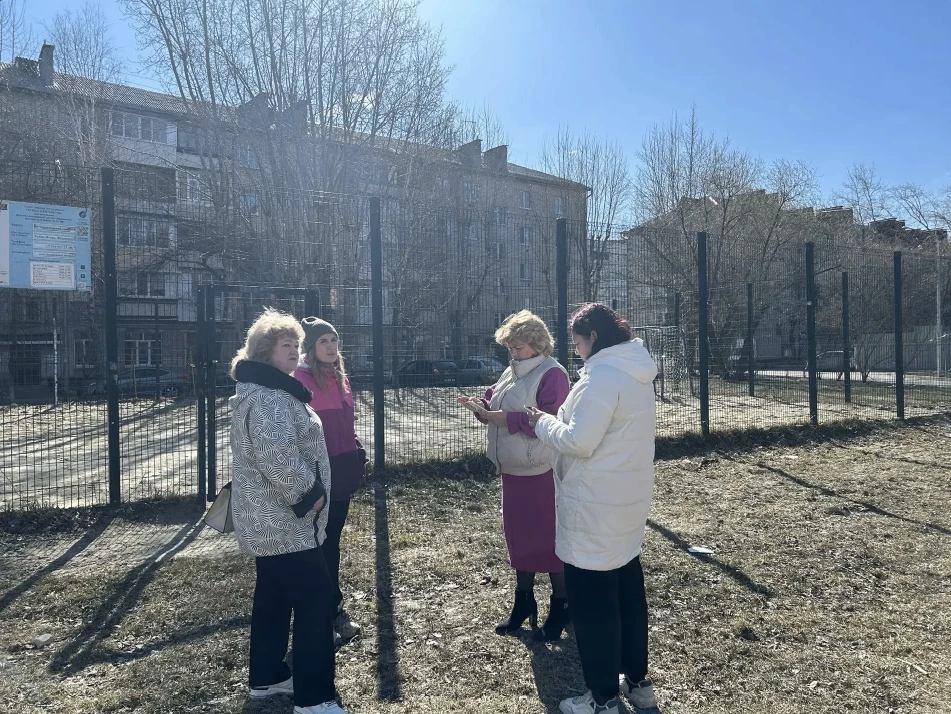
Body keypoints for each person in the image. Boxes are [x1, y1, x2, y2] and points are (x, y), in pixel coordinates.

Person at [527, 303, 660, 714]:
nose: (576, 350)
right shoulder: (635, 371)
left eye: (578, 341)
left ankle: (602, 699)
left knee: (593, 605)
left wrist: (541, 422)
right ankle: (637, 682)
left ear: (594, 337)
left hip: (593, 505)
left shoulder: (602, 376)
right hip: (625, 502)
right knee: (628, 594)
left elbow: (579, 440)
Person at [229, 308, 347, 714]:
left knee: (274, 599)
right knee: (315, 600)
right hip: (285, 521)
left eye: (297, 344)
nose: (295, 351)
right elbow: (277, 456)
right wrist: (311, 495)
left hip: (271, 522)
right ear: (266, 351)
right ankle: (314, 697)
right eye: (286, 345)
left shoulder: (266, 391)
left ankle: (268, 677)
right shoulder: (270, 397)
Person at [457, 310, 571, 641]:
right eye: (509, 346)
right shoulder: (513, 370)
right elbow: (497, 403)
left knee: (548, 540)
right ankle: (524, 602)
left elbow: (550, 421)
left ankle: (562, 605)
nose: (513, 352)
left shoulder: (553, 373)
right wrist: (481, 407)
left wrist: (505, 418)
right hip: (513, 469)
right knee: (519, 538)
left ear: (538, 343)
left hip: (541, 470)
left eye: (518, 346)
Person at [294, 317, 367, 644]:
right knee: (317, 546)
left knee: (331, 543)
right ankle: (319, 616)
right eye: (323, 341)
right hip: (316, 477)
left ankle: (333, 610)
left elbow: (345, 425)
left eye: (334, 340)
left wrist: (356, 451)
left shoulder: (341, 378)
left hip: (342, 475)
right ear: (310, 347)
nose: (331, 346)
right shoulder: (299, 380)